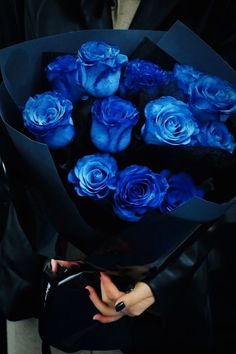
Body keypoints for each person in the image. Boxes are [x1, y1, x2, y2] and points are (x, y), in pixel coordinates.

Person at [0, 1, 236, 353]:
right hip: (42, 268)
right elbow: (10, 123)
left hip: (164, 288)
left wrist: (161, 277)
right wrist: (50, 233)